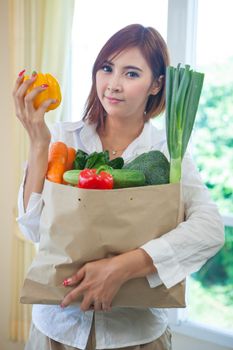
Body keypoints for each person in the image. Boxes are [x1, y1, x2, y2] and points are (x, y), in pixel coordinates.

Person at [13, 24, 224, 350]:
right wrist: (39, 142)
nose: (113, 84)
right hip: (56, 328)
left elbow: (210, 229)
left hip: (135, 335)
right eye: (107, 68)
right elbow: (33, 228)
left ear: (156, 84)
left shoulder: (171, 153)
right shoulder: (63, 139)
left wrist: (123, 267)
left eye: (131, 73)